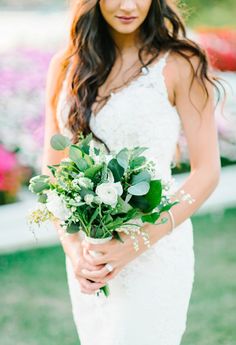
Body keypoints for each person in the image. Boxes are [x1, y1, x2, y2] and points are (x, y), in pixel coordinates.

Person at [42, 1, 221, 344]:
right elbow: (53, 168)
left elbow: (207, 171)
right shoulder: (65, 65)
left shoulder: (181, 63)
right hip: (91, 258)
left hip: (155, 251)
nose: (128, 5)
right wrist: (75, 249)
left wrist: (135, 243)